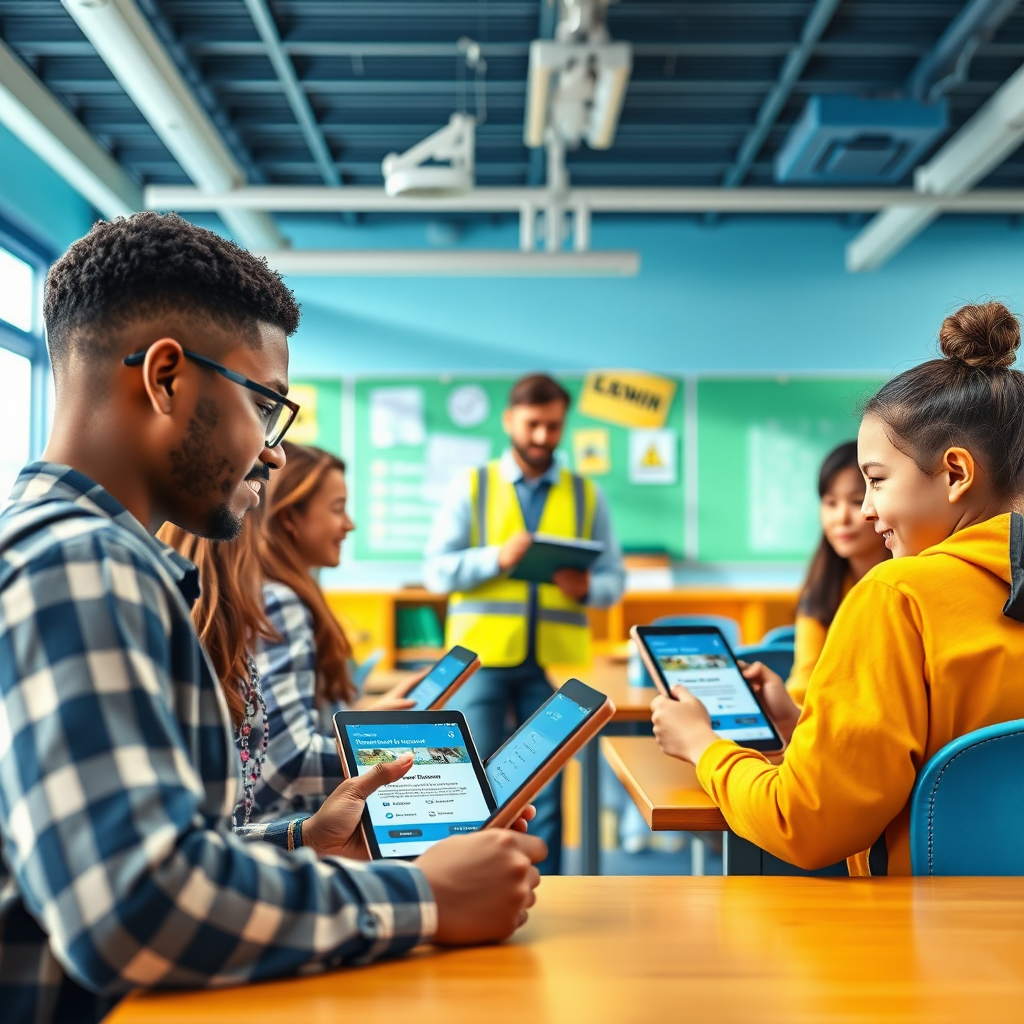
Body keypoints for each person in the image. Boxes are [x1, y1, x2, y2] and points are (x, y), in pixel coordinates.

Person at [0, 212, 543, 1024]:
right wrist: (422, 898)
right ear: (167, 379)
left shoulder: (61, 545)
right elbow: (131, 909)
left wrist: (302, 842)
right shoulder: (84, 564)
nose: (276, 450)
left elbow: (125, 862)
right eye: (266, 405)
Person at [651, 300, 1024, 877]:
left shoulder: (899, 597)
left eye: (875, 482)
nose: (869, 512)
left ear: (955, 474)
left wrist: (705, 747)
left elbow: (808, 823)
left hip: (936, 943)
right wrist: (804, 723)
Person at [424, 373, 626, 873]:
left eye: (553, 426)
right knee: (471, 784)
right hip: (482, 660)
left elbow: (614, 581)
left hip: (556, 665)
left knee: (547, 791)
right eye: (533, 424)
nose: (542, 436)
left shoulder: (586, 495)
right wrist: (496, 557)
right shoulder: (471, 487)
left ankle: (546, 886)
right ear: (510, 420)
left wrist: (588, 589)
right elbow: (435, 572)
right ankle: (468, 882)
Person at [160, 458, 413, 825]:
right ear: (288, 518)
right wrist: (399, 754)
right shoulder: (277, 601)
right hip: (281, 828)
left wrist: (359, 729)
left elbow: (269, 737)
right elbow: (286, 762)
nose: (349, 524)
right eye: (337, 508)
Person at [786, 441, 890, 705]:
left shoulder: (905, 585)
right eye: (830, 503)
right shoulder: (821, 592)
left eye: (856, 502)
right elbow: (803, 687)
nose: (840, 518)